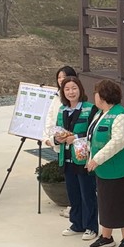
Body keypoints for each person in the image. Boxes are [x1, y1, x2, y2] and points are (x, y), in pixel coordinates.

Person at [86, 79, 124, 247]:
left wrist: (96, 159)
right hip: (104, 170)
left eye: (96, 93)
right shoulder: (100, 114)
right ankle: (106, 236)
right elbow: (92, 137)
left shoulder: (120, 115)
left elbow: (117, 142)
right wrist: (90, 157)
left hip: (121, 170)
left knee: (123, 205)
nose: (94, 96)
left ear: (103, 95)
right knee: (106, 203)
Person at [53, 76, 98, 241]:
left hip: (83, 158)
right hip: (66, 157)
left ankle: (91, 227)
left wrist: (77, 137)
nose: (71, 92)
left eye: (74, 88)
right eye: (67, 89)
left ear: (80, 89)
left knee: (87, 193)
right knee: (73, 194)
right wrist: (57, 138)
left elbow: (94, 132)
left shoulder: (90, 108)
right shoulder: (62, 110)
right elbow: (58, 130)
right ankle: (77, 224)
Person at [45, 65, 78, 218]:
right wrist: (49, 138)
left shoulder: (75, 98)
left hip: (73, 144)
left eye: (64, 77)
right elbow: (50, 118)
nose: (61, 80)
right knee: (68, 175)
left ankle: (74, 207)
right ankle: (72, 205)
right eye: (59, 77)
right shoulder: (56, 97)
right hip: (60, 142)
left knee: (76, 176)